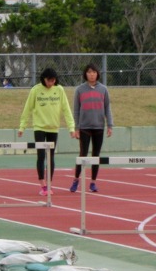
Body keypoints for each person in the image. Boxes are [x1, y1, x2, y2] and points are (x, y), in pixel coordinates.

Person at [18, 67, 76, 195]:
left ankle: (49, 184)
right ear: (44, 79)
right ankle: (42, 185)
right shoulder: (36, 90)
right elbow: (27, 109)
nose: (51, 83)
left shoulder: (59, 90)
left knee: (51, 157)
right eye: (49, 81)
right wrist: (22, 126)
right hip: (39, 127)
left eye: (53, 81)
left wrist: (71, 128)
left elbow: (66, 109)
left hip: (53, 128)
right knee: (41, 156)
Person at [70, 63, 113, 193]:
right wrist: (76, 127)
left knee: (96, 155)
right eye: (89, 72)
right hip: (84, 127)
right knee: (82, 154)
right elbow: (76, 110)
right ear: (85, 74)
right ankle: (76, 180)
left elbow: (107, 108)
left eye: (94, 72)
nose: (92, 74)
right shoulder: (80, 90)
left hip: (99, 126)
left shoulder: (103, 89)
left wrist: (110, 125)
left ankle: (93, 182)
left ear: (97, 74)